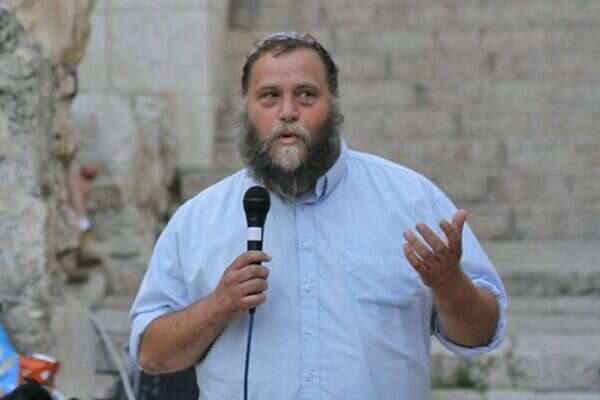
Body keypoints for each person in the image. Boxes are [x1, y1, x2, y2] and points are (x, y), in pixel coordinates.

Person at [129, 32, 507, 399]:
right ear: (246, 109)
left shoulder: (411, 201)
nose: (288, 112)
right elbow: (150, 354)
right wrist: (217, 306)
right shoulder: (198, 220)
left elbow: (481, 334)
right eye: (270, 96)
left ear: (333, 105)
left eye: (306, 95)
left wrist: (449, 283)